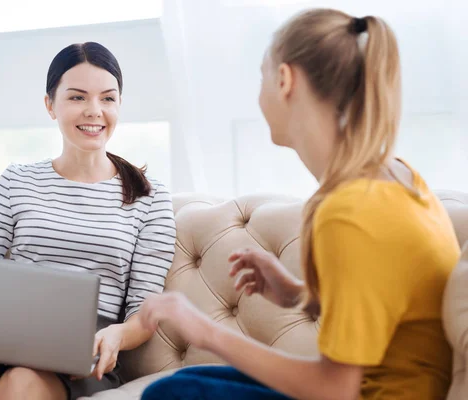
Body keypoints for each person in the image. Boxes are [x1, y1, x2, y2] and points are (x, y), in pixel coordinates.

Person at [139, 8, 460, 400]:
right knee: (184, 383)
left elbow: (335, 389)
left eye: (262, 76)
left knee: (172, 395)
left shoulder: (349, 212)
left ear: (284, 80)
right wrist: (294, 293)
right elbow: (386, 304)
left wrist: (202, 329)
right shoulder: (397, 177)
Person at [0, 42, 176, 400]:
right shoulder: (16, 180)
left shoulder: (148, 197)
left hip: (81, 352)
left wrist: (117, 336)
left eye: (108, 98)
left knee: (22, 383)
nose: (94, 111)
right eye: (77, 98)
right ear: (50, 105)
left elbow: (144, 308)